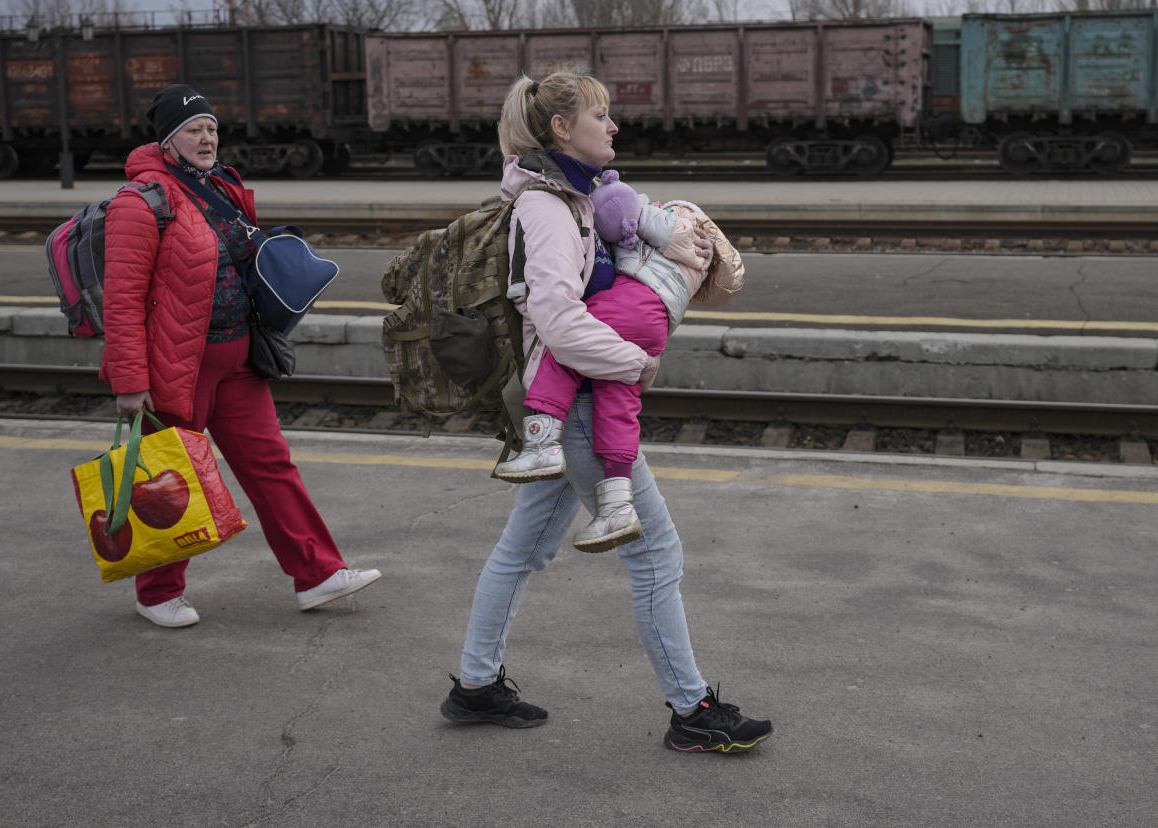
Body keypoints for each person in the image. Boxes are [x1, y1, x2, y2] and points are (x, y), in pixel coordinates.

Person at [439, 72, 772, 754]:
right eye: (600, 115)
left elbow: (622, 236)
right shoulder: (549, 209)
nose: (612, 126)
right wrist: (632, 362)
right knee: (655, 554)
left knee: (525, 547)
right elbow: (560, 319)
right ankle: (693, 712)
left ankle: (474, 685)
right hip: (584, 398)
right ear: (563, 129)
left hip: (568, 399)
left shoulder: (574, 193)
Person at [101, 83, 380, 628]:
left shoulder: (220, 188)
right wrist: (129, 381)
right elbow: (123, 301)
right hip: (176, 366)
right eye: (194, 130)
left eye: (212, 129)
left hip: (238, 356)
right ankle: (156, 593)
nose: (207, 138)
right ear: (166, 139)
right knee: (170, 480)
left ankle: (317, 574)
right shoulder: (140, 203)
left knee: (271, 465)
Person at [493, 168, 744, 553]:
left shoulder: (678, 221)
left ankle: (542, 443)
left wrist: (623, 198)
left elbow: (622, 217)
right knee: (619, 404)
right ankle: (616, 505)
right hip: (655, 324)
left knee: (565, 347)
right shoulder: (694, 266)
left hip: (631, 302)